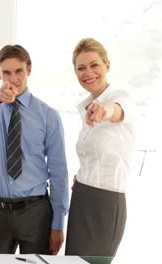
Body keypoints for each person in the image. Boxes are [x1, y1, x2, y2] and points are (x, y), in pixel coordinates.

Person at [0, 44, 69, 255]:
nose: (13, 78)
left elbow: (59, 172)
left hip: (35, 211)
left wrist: (58, 224)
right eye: (6, 73)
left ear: (29, 70)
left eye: (19, 71)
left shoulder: (48, 115)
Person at [65, 38, 136, 257]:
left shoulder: (121, 99)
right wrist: (82, 177)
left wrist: (105, 111)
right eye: (81, 68)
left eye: (94, 65)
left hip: (107, 203)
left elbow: (116, 110)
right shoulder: (83, 108)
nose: (88, 73)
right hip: (82, 197)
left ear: (107, 65)